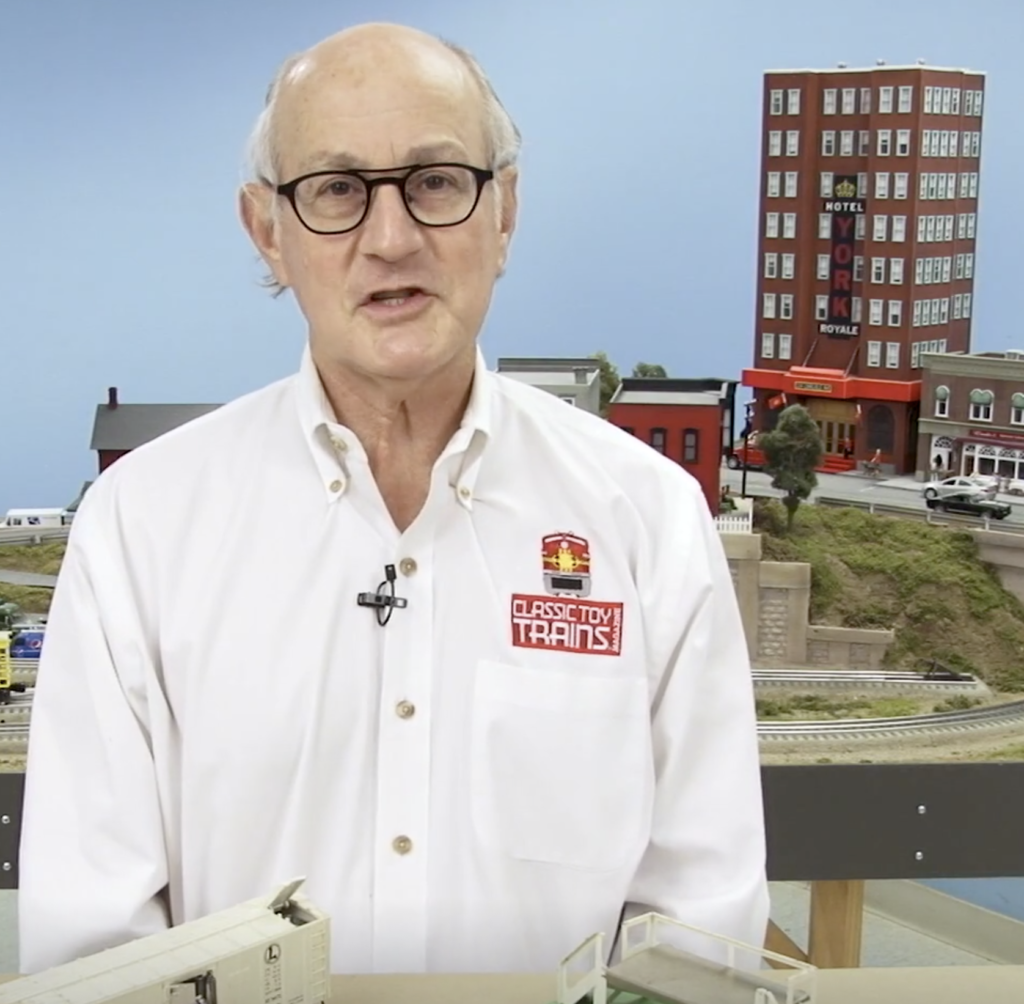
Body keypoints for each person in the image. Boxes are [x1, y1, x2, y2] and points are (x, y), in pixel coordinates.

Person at [18, 22, 768, 976]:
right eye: (336, 190)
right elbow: (94, 941)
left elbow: (702, 934)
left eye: (436, 182)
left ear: (504, 213)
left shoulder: (648, 519)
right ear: (269, 232)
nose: (391, 237)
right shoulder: (142, 529)